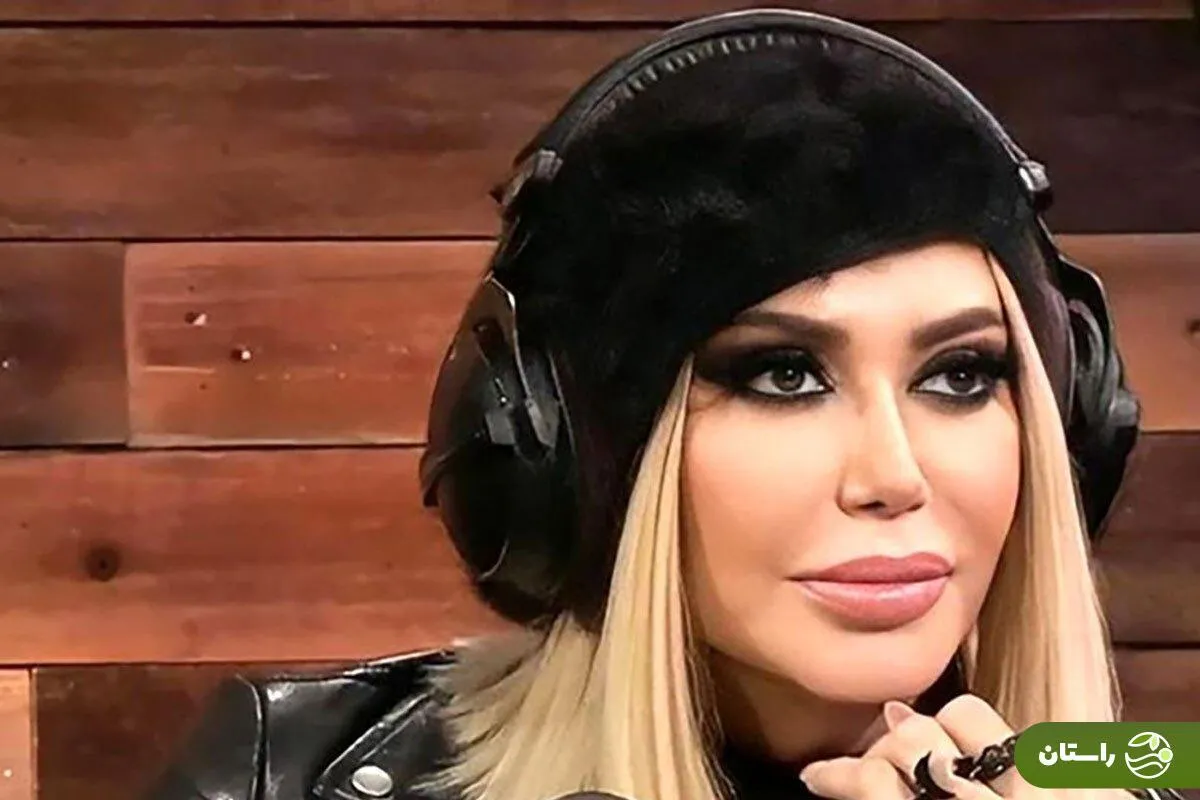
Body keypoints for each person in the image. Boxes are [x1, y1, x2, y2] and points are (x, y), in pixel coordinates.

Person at [144, 9, 1182, 800]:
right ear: (574, 453)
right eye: (783, 373)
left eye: (960, 374)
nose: (893, 476)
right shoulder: (291, 774)